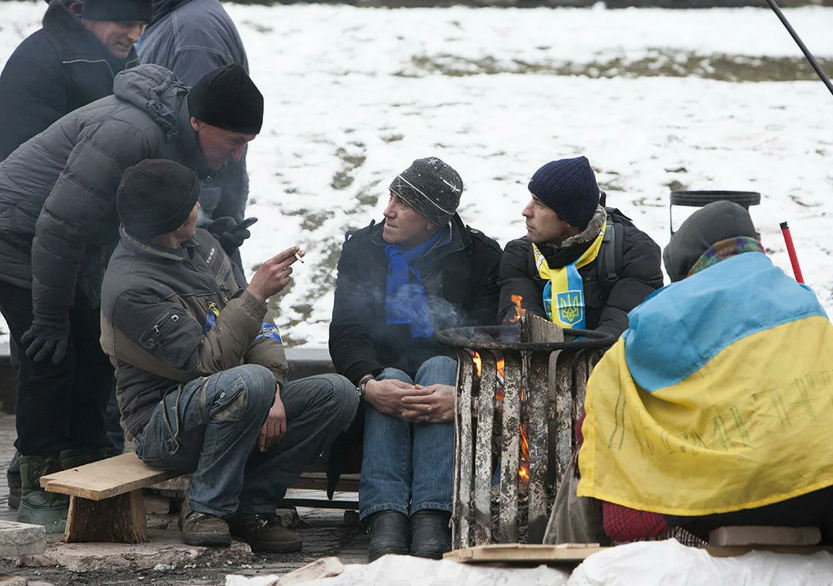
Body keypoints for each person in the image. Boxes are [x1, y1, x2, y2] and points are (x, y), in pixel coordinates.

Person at [0, 61, 263, 533]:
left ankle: (82, 466)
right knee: (51, 356)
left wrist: (205, 232)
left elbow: (146, 212)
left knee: (95, 349)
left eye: (247, 144)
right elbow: (60, 224)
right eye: (234, 142)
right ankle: (37, 486)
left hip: (76, 246)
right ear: (198, 122)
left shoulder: (179, 135)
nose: (238, 155)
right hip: (17, 234)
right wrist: (49, 316)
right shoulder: (129, 133)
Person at [99, 159, 358, 551]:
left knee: (337, 393)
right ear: (170, 220)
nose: (199, 206)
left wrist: (273, 388)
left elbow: (257, 321)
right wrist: (256, 294)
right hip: (163, 427)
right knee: (248, 381)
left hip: (238, 394)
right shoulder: (132, 289)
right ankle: (205, 508)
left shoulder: (202, 244)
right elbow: (204, 363)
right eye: (191, 202)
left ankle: (252, 504)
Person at [546, 200, 833, 545]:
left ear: (685, 264)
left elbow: (607, 395)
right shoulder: (806, 302)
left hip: (733, 496)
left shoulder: (667, 310)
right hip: (823, 486)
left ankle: (569, 560)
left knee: (595, 446)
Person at [329, 157, 503, 561]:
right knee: (391, 375)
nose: (387, 210)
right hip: (377, 382)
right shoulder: (363, 249)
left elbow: (486, 338)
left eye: (403, 203)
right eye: (391, 196)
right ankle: (385, 514)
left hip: (450, 386)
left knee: (439, 368)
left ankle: (432, 514)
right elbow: (348, 330)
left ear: (432, 221)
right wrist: (369, 384)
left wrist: (462, 393)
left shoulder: (479, 255)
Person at [498, 156, 663, 338]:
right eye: (531, 199)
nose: (526, 211)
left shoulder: (633, 253)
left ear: (570, 218)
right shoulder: (520, 255)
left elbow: (620, 332)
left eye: (540, 204)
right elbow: (522, 328)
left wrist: (571, 355)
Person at [139, 0, 253, 256]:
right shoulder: (178, 17)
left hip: (190, 215)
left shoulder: (193, 35)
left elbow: (204, 135)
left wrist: (203, 225)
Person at [0, 0, 151, 161]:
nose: (135, 36)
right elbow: (20, 155)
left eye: (141, 25)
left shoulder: (123, 57)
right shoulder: (37, 61)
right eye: (125, 23)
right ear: (88, 14)